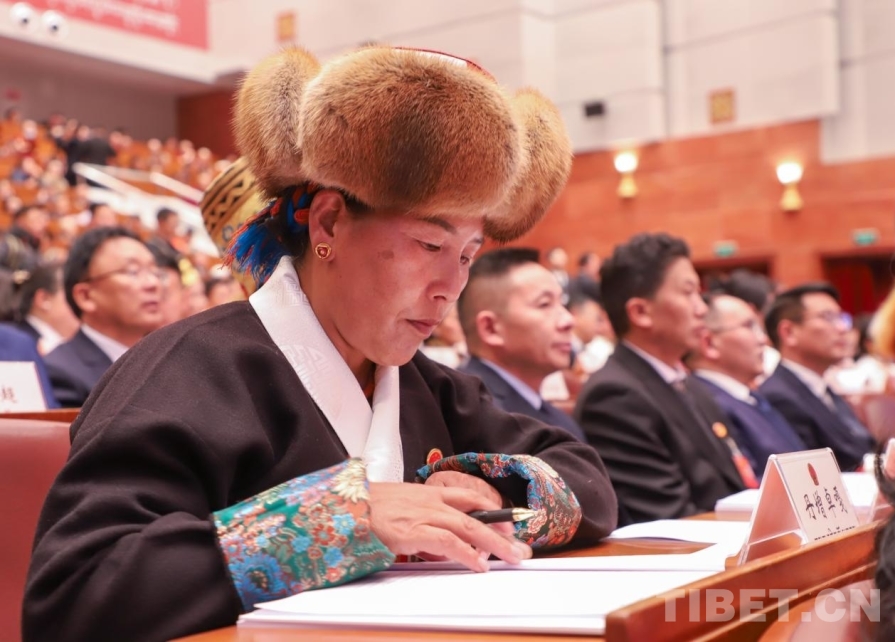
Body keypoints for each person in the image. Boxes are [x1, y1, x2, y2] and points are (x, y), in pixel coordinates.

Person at [24, 46, 617, 642]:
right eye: (430, 246)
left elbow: (587, 480)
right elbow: (75, 592)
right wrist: (343, 518)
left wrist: (489, 490)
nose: (449, 286)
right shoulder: (187, 372)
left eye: (467, 255)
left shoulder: (427, 386)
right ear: (329, 222)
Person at [575, 233, 748, 525]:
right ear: (641, 312)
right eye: (688, 292)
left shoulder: (691, 385)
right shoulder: (615, 397)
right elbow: (670, 521)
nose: (702, 308)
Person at [457, 248, 585, 440]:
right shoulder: (468, 411)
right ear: (491, 328)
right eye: (545, 304)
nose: (568, 321)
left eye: (562, 303)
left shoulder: (555, 417)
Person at [687, 293, 806, 478]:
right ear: (710, 343)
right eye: (749, 326)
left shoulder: (748, 397)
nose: (763, 339)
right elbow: (749, 484)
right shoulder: (706, 404)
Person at [758, 283, 874, 471]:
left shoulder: (822, 387)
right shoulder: (778, 396)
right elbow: (813, 474)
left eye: (841, 318)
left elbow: (861, 447)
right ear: (788, 332)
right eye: (827, 317)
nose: (842, 328)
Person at [43, 226, 164, 407]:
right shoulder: (60, 372)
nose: (153, 283)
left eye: (155, 271)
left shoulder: (167, 361)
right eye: (133, 271)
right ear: (85, 296)